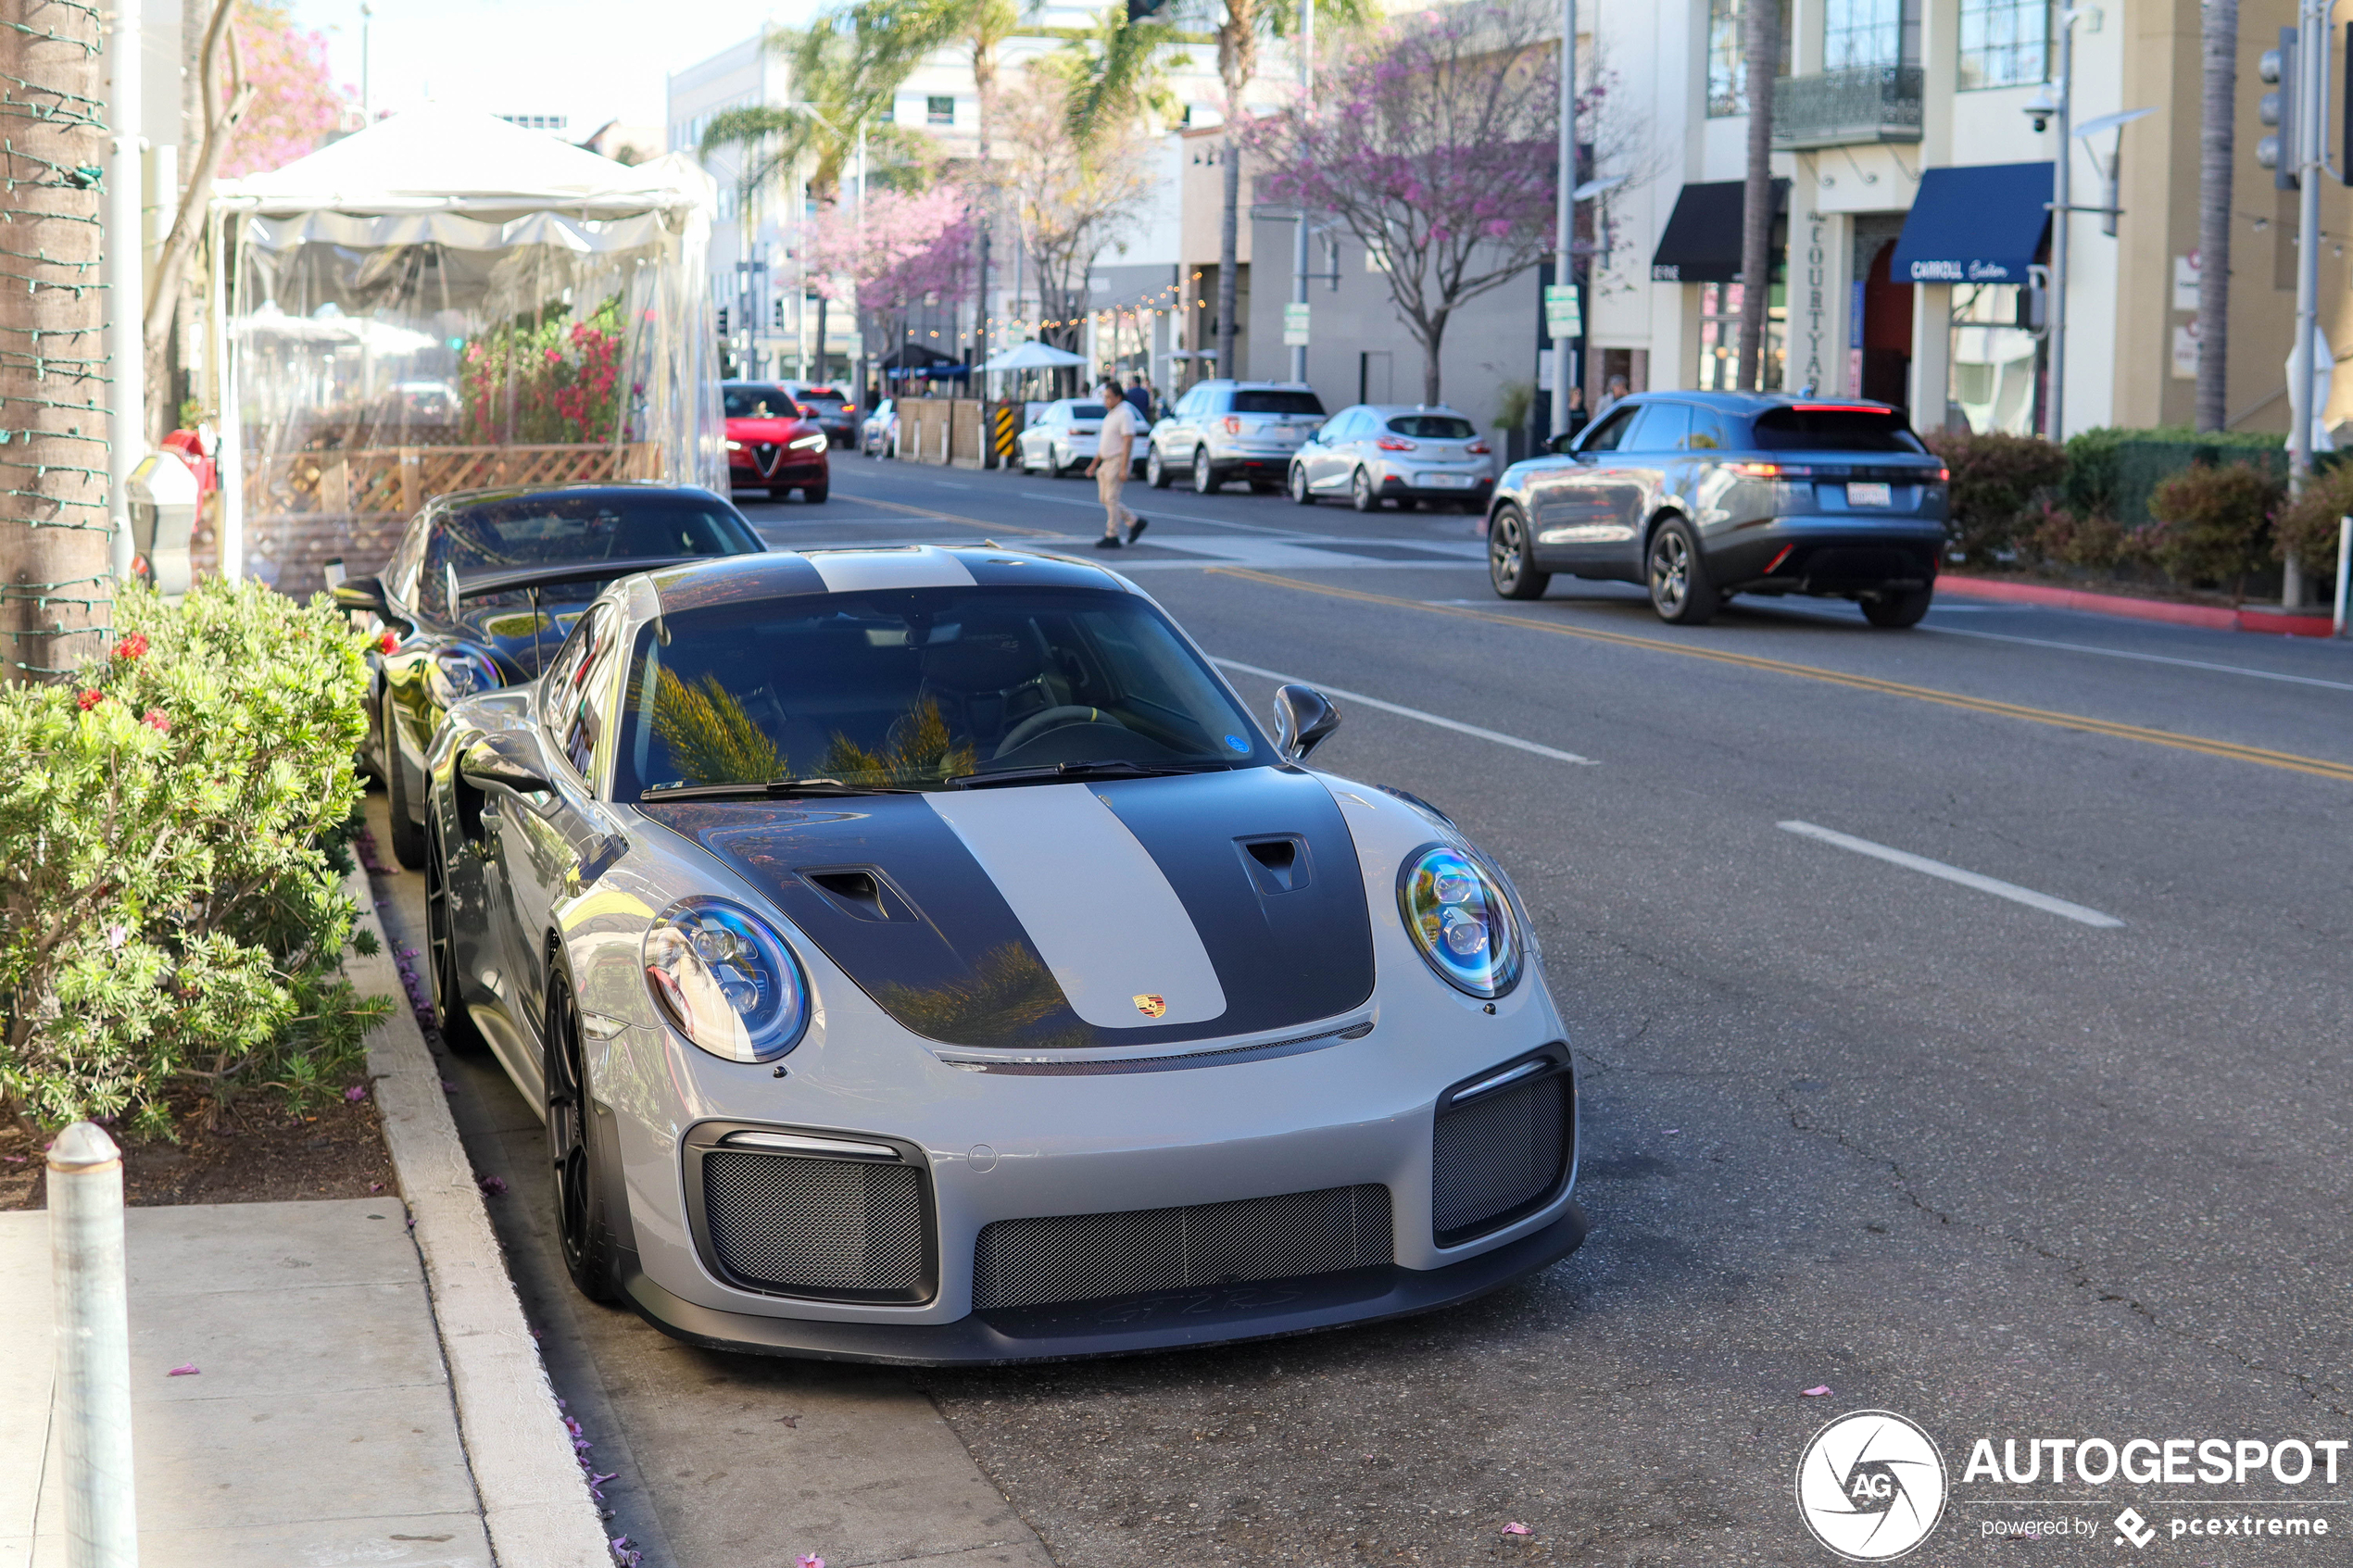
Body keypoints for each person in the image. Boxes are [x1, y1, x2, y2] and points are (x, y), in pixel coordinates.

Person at [1087, 378, 1149, 549]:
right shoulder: (1111, 415)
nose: (1105, 401)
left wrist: (1124, 467)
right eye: (1104, 397)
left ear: (1118, 397)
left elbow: (1128, 440)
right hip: (1105, 462)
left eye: (1108, 397)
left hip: (1117, 460)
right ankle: (1134, 522)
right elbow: (1105, 443)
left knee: (1111, 499)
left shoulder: (1125, 414)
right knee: (1105, 499)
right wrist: (1094, 464)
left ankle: (1112, 535)